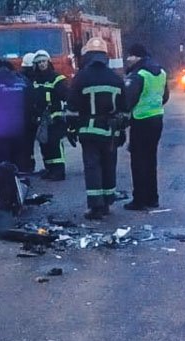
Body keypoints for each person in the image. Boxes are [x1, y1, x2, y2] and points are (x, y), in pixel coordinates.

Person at [66, 37, 127, 220]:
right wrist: (122, 130)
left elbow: (72, 107)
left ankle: (95, 206)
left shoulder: (81, 77)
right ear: (105, 56)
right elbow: (124, 109)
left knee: (92, 167)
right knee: (109, 165)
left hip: (89, 131)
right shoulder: (116, 78)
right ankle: (107, 202)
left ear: (89, 55)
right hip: (111, 132)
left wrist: (70, 129)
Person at [122, 43, 169, 210]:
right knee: (150, 159)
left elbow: (128, 100)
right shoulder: (160, 72)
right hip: (157, 119)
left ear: (137, 57)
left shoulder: (139, 75)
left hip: (140, 120)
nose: (128, 59)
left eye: (130, 56)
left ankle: (139, 200)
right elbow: (165, 96)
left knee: (138, 161)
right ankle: (152, 197)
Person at [31, 49, 69, 181]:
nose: (42, 64)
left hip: (54, 118)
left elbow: (66, 95)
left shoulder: (57, 78)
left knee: (55, 144)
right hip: (41, 119)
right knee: (44, 144)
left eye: (44, 61)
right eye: (39, 62)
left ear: (48, 62)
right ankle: (49, 169)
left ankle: (59, 171)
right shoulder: (34, 80)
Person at [18, 52, 38, 173]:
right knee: (27, 144)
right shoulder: (29, 79)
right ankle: (27, 165)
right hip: (28, 117)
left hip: (22, 117)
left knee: (25, 143)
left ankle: (26, 165)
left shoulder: (20, 77)